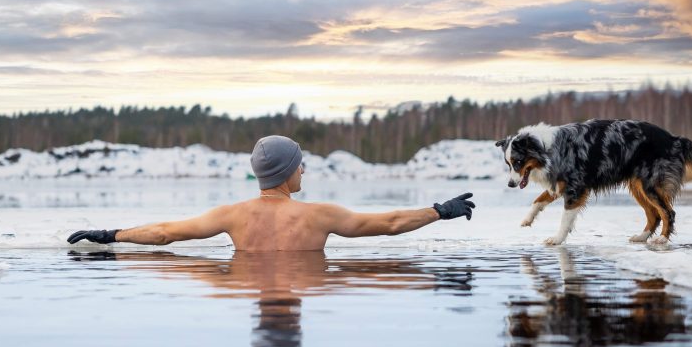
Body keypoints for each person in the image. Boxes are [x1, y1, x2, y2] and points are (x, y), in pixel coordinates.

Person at [67, 135, 475, 251]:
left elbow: (165, 234)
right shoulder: (319, 215)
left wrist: (111, 235)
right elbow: (387, 224)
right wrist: (439, 210)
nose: (304, 169)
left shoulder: (232, 215)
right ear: (286, 172)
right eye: (300, 164)